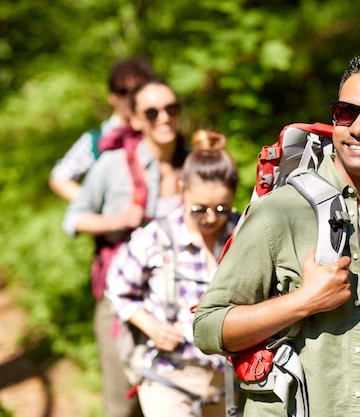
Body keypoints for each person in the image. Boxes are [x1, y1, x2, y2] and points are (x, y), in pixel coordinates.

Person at [193, 51, 360, 417]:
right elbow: (207, 327)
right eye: (346, 112)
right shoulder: (281, 212)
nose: (358, 128)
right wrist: (304, 301)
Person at [63, 77, 188, 417]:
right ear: (134, 119)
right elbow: (73, 219)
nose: (164, 118)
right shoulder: (113, 165)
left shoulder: (193, 163)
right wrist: (115, 220)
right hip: (124, 301)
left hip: (184, 300)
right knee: (124, 405)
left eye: (171, 109)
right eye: (151, 112)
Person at [105, 129, 240, 417]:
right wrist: (153, 328)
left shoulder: (243, 233)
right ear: (181, 188)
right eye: (199, 209)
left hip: (229, 381)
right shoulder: (155, 237)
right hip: (167, 376)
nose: (211, 218)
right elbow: (117, 289)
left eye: (221, 208)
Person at [49, 57, 155, 201]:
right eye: (123, 91)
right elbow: (59, 177)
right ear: (111, 96)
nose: (130, 97)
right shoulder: (96, 140)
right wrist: (93, 207)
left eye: (137, 89)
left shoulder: (157, 132)